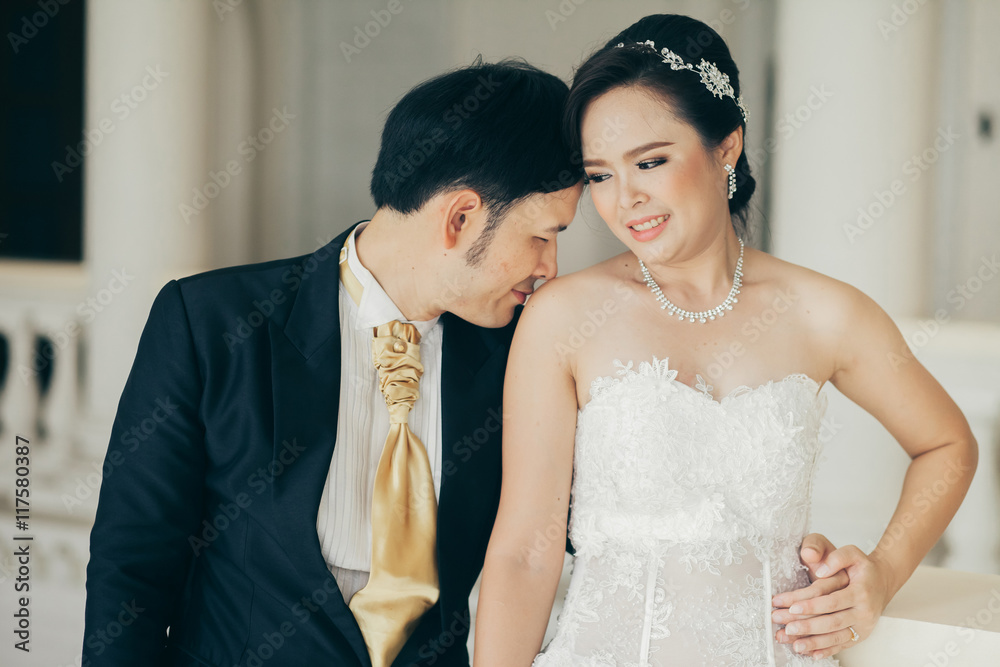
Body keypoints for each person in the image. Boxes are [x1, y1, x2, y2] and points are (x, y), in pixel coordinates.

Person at [474, 14, 977, 666]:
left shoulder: (824, 312)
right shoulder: (565, 317)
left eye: (650, 161)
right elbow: (525, 552)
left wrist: (880, 572)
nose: (626, 199)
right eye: (600, 175)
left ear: (727, 146)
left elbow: (948, 444)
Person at [82, 59, 582, 666]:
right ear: (460, 218)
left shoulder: (526, 356)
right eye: (544, 236)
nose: (550, 267)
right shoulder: (212, 322)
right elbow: (132, 564)